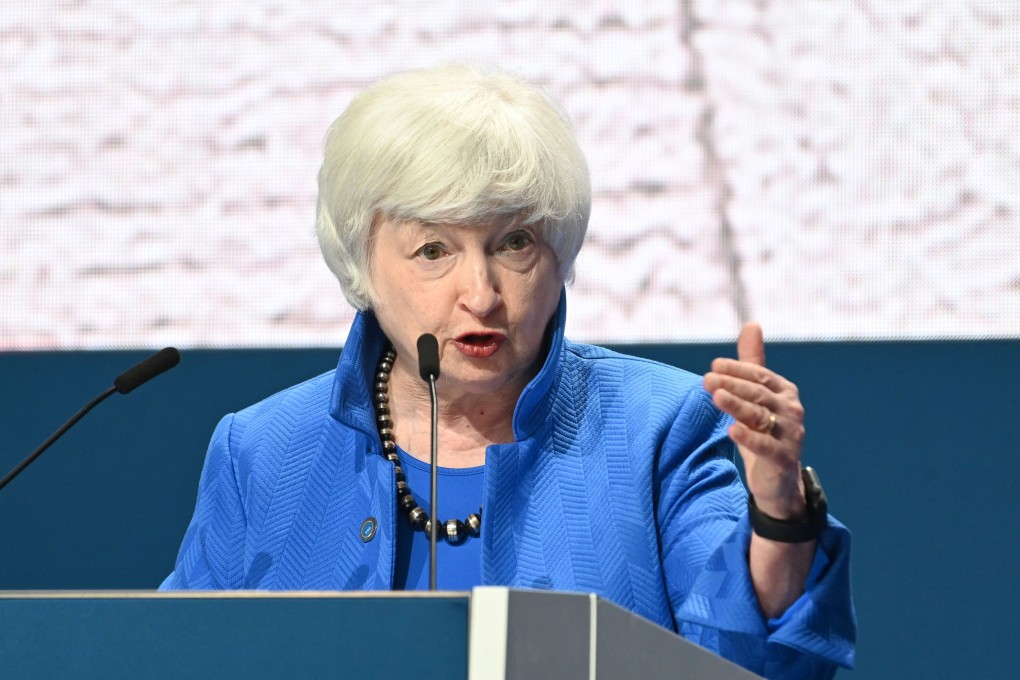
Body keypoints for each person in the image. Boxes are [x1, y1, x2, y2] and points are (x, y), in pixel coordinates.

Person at [160, 64, 855, 678]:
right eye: (433, 249)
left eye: (513, 243)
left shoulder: (658, 429)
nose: (482, 293)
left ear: (560, 253)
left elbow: (747, 663)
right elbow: (172, 659)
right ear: (361, 264)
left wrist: (780, 514)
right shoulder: (263, 453)